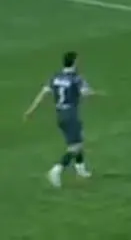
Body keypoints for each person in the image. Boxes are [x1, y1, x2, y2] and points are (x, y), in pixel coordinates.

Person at [23, 51, 100, 188]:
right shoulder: (77, 78)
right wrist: (95, 94)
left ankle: (81, 169)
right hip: (71, 114)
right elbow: (86, 93)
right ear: (75, 62)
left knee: (76, 140)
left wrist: (30, 110)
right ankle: (56, 170)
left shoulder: (55, 77)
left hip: (60, 114)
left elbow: (42, 94)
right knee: (76, 146)